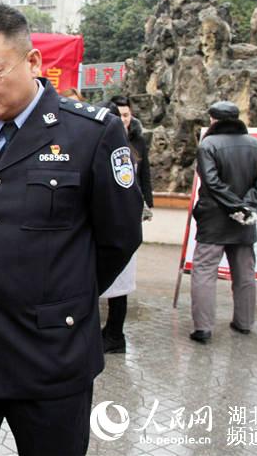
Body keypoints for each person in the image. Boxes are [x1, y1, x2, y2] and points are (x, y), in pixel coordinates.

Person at [0, 2, 143, 456]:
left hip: (51, 353)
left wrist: (60, 293)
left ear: (32, 62)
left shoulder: (89, 133)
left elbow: (119, 236)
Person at [189, 100, 257, 344]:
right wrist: (247, 205)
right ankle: (244, 322)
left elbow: (212, 182)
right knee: (245, 271)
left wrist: (235, 206)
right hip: (244, 221)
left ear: (214, 120)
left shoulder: (209, 145)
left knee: (205, 271)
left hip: (213, 219)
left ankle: (203, 328)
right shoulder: (256, 145)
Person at [100, 95, 154, 354]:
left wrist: (147, 206)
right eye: (119, 115)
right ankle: (109, 332)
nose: (123, 119)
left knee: (119, 283)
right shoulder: (100, 141)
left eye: (126, 115)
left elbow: (142, 179)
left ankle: (114, 334)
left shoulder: (134, 143)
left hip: (121, 222)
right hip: (114, 221)